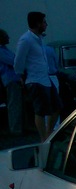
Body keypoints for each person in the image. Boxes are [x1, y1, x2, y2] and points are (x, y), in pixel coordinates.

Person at [14, 11, 61, 142]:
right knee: (40, 111)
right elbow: (18, 61)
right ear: (37, 23)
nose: (46, 25)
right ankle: (43, 138)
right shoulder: (26, 40)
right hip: (35, 80)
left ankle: (49, 133)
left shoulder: (39, 39)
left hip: (45, 79)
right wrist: (20, 76)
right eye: (44, 22)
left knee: (57, 107)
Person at [0, 28, 23, 135]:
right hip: (10, 80)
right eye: (6, 36)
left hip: (15, 79)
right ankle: (15, 129)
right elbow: (13, 61)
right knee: (14, 104)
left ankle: (21, 126)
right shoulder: (1, 51)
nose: (9, 38)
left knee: (19, 104)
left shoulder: (5, 49)